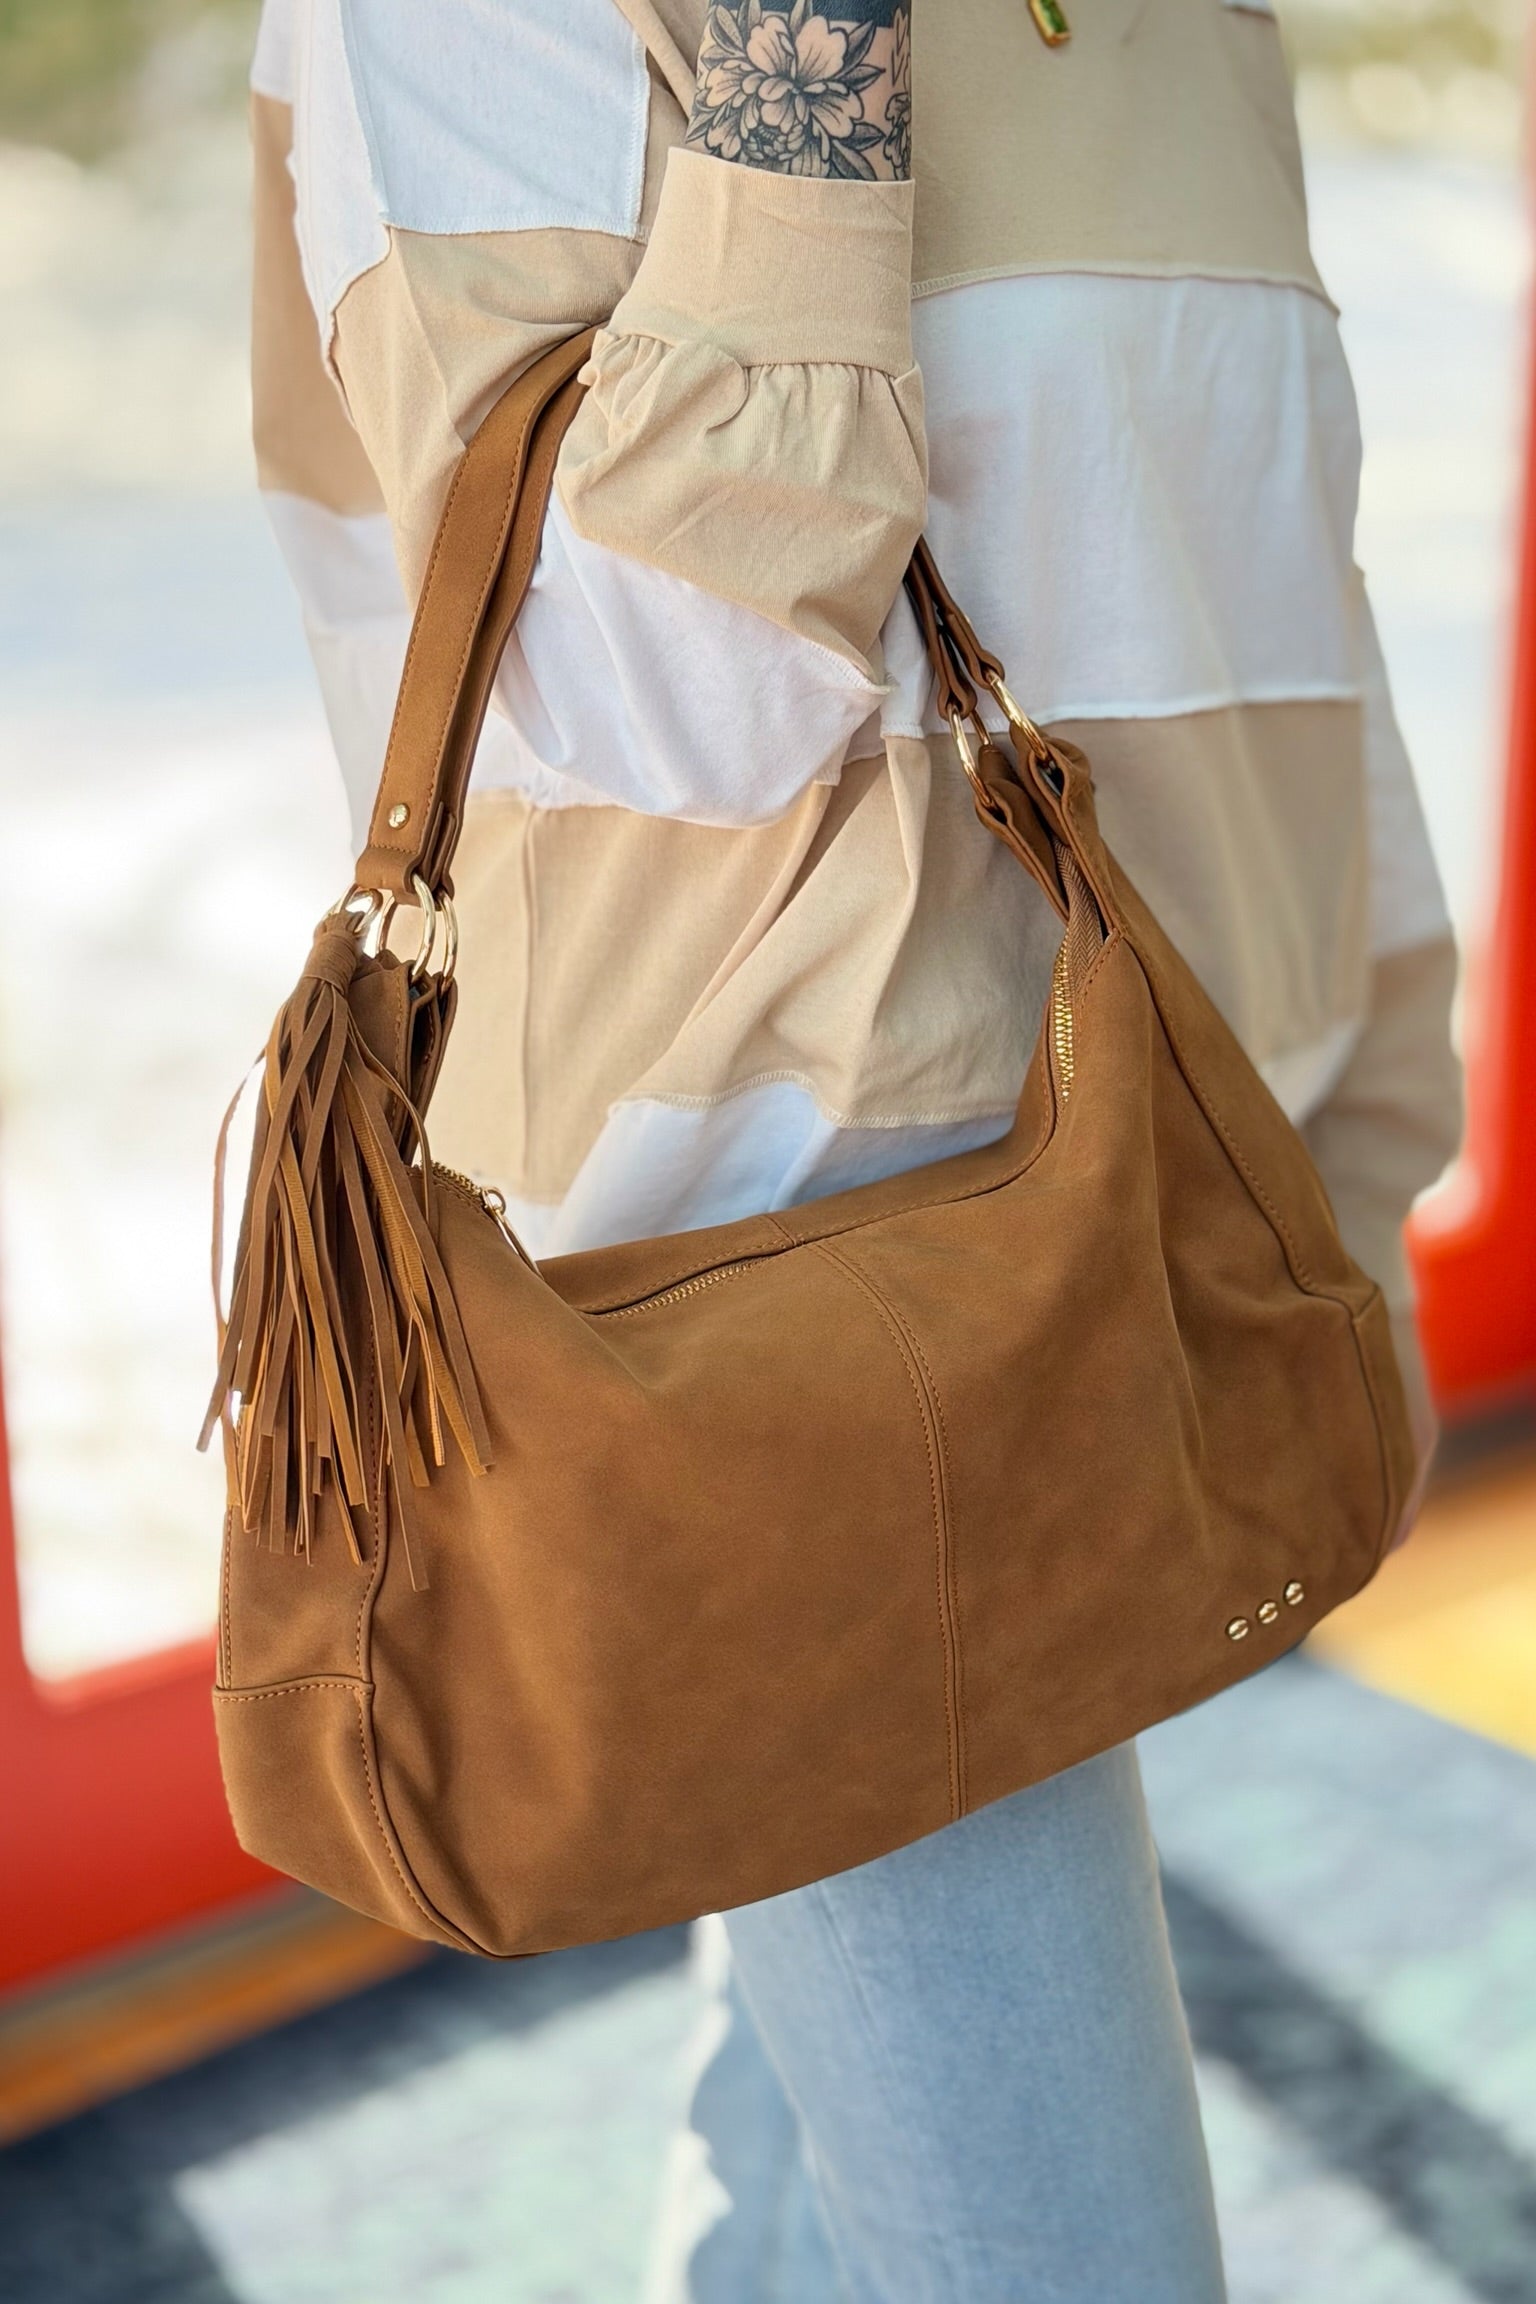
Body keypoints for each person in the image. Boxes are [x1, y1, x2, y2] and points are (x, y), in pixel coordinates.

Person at [247, 1, 1462, 2293]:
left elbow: (1269, 585)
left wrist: (1357, 1097)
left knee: (811, 2109)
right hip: (782, 1288)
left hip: (1160, 1180)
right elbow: (640, 712)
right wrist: (817, 120)